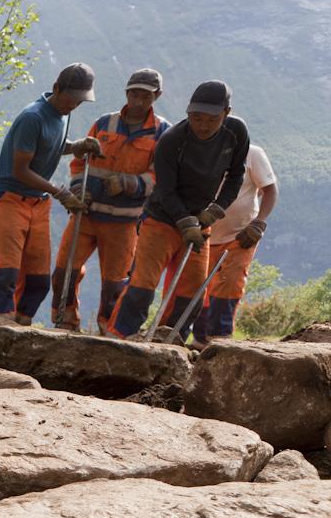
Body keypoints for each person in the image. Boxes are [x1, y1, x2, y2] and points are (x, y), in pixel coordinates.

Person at [107, 80, 250, 340]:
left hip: (200, 219)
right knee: (143, 284)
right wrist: (186, 223)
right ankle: (118, 336)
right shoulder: (172, 140)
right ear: (188, 112)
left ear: (226, 114)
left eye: (211, 119)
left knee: (192, 291)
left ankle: (168, 339)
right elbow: (165, 190)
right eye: (196, 118)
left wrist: (214, 212)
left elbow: (235, 176)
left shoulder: (236, 132)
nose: (203, 126)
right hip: (161, 218)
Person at [48, 69, 170, 333]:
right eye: (134, 94)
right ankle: (64, 322)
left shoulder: (162, 132)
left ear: (156, 96)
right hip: (86, 214)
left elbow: (159, 177)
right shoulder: (104, 124)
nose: (139, 101)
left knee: (115, 283)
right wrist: (78, 188)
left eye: (146, 96)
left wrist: (128, 184)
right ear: (126, 92)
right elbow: (80, 161)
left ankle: (107, 330)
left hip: (124, 222)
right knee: (63, 272)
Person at [0, 63, 104, 325]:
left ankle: (22, 322)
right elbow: (20, 170)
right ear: (57, 89)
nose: (74, 105)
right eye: (71, 98)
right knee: (8, 269)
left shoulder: (63, 114)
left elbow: (49, 146)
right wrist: (60, 192)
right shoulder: (33, 117)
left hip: (39, 202)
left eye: (80, 101)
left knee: (38, 279)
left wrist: (77, 147)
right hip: (12, 197)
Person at [191, 143, 277, 347]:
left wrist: (259, 222)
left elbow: (270, 190)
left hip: (240, 235)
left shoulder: (253, 154)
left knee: (230, 282)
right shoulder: (199, 150)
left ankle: (219, 337)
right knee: (201, 285)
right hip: (202, 233)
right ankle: (201, 339)